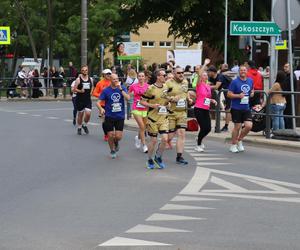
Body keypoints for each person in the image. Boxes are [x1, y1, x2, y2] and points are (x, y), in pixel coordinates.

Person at [140, 69, 169, 169]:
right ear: (158, 77)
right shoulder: (151, 88)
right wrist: (152, 105)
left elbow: (166, 99)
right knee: (153, 141)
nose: (165, 77)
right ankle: (149, 159)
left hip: (163, 117)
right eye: (164, 75)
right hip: (152, 118)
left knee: (165, 139)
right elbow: (142, 102)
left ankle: (158, 157)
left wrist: (168, 104)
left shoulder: (165, 87)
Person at [97, 73, 130, 159]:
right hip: (109, 116)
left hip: (120, 116)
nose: (116, 80)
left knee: (118, 136)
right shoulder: (106, 90)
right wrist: (101, 109)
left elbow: (128, 98)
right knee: (110, 135)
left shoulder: (122, 88)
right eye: (114, 79)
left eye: (117, 79)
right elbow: (98, 102)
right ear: (110, 80)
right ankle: (112, 150)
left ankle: (116, 142)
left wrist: (121, 90)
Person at [165, 67, 193, 165]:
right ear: (174, 73)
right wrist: (171, 99)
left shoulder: (185, 82)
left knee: (181, 133)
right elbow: (162, 96)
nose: (181, 74)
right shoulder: (168, 83)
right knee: (169, 137)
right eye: (179, 73)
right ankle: (161, 148)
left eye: (182, 72)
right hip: (171, 113)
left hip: (182, 113)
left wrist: (189, 99)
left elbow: (185, 92)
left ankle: (179, 157)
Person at [227, 65, 254, 153]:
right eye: (241, 70)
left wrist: (252, 93)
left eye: (244, 70)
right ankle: (233, 144)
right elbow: (229, 94)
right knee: (237, 127)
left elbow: (252, 89)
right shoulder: (235, 82)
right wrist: (238, 96)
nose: (243, 72)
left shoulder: (250, 80)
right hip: (236, 108)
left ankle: (239, 140)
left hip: (246, 107)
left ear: (247, 71)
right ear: (239, 72)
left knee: (249, 126)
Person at [194, 71, 217, 152]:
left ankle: (199, 138)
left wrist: (212, 100)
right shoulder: (199, 84)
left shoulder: (208, 86)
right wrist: (205, 64)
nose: (206, 76)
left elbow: (206, 97)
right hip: (198, 108)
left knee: (208, 128)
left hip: (206, 109)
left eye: (206, 75)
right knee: (203, 127)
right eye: (204, 75)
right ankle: (198, 145)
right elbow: (199, 75)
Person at [128, 72, 149, 153]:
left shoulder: (148, 86)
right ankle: (144, 145)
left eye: (142, 76)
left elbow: (152, 96)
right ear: (137, 77)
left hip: (145, 108)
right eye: (139, 76)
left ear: (145, 77)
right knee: (142, 126)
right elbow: (128, 94)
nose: (141, 77)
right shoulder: (133, 86)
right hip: (136, 108)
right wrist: (129, 96)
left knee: (144, 127)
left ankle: (138, 138)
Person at [92, 69, 112, 141]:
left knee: (112, 119)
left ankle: (111, 132)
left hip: (112, 104)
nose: (109, 75)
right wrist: (102, 95)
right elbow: (94, 93)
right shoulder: (100, 83)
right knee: (105, 120)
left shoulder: (112, 82)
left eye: (110, 74)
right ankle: (106, 134)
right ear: (103, 75)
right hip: (102, 104)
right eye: (107, 74)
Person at [74, 65, 94, 135]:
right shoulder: (78, 79)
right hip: (80, 99)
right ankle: (79, 127)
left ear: (88, 70)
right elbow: (74, 89)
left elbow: (92, 86)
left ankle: (84, 125)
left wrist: (91, 92)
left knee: (88, 114)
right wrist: (80, 91)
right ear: (81, 71)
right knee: (80, 114)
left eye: (86, 70)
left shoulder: (90, 79)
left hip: (88, 99)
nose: (84, 71)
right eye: (83, 70)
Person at [283, 63, 298, 129]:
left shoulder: (291, 77)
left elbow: (288, 87)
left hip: (289, 98)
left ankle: (289, 128)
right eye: (284, 66)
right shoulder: (288, 76)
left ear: (291, 68)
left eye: (286, 67)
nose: (285, 68)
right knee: (287, 114)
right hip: (288, 98)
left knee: (288, 114)